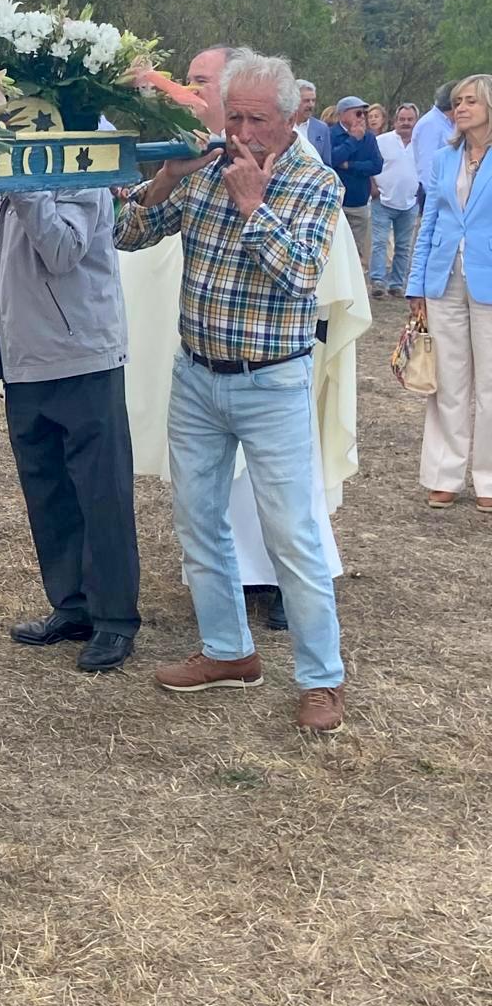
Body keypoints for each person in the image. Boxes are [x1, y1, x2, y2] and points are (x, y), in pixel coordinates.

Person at [114, 49, 347, 734]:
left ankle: (321, 678)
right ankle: (226, 650)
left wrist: (253, 208)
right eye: (235, 116)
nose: (242, 132)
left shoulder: (313, 180)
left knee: (292, 533)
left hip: (272, 380)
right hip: (198, 376)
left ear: (292, 115)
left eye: (258, 120)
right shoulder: (207, 166)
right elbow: (128, 234)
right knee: (197, 515)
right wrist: (163, 180)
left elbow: (301, 275)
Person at [0, 188, 140, 673]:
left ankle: (115, 618)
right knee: (47, 492)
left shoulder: (79, 172)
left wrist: (26, 186)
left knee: (100, 494)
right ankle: (72, 605)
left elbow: (63, 251)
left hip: (82, 354)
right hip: (22, 359)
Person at [407, 74, 492, 512]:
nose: (460, 108)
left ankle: (489, 480)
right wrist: (416, 284)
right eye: (457, 101)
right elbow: (431, 223)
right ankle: (445, 474)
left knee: (490, 384)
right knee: (448, 383)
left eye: (470, 101)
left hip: (488, 278)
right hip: (443, 279)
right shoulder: (444, 158)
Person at [370, 103, 420, 298]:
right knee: (379, 243)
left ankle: (397, 283)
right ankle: (378, 282)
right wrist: (373, 188)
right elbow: (371, 165)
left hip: (410, 202)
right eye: (402, 119)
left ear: (416, 121)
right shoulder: (381, 141)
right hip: (382, 200)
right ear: (394, 121)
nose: (405, 123)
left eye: (410, 120)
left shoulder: (421, 142)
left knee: (404, 245)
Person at [330, 96, 382, 269]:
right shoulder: (331, 134)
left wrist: (349, 165)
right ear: (343, 114)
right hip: (336, 204)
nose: (362, 118)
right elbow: (331, 159)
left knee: (356, 252)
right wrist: (352, 140)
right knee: (334, 252)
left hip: (359, 204)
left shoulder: (369, 138)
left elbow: (376, 165)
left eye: (364, 114)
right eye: (358, 113)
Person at [411, 81, 457, 211]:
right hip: (437, 197)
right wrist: (437, 200)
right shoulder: (431, 124)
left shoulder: (449, 124)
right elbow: (427, 166)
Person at [294, 79, 333, 166]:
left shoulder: (322, 128)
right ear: (294, 101)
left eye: (313, 100)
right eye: (306, 101)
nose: (311, 105)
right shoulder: (282, 126)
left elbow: (326, 163)